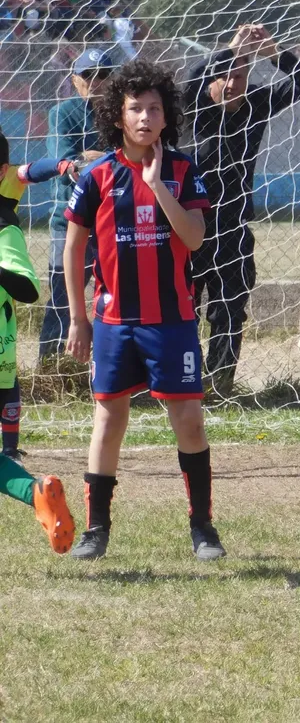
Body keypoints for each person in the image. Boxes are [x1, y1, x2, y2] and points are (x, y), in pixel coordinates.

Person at [63, 60, 225, 561]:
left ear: (165, 115)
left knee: (190, 420)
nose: (145, 117)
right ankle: (96, 528)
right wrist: (79, 317)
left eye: (154, 108)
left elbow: (195, 238)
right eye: (135, 108)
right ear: (119, 116)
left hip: (172, 320)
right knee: (109, 420)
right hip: (114, 323)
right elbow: (74, 249)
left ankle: (203, 528)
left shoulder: (181, 170)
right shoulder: (97, 176)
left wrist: (157, 186)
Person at [184, 23, 300, 394]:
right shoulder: (192, 106)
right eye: (224, 75)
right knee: (183, 310)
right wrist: (230, 49)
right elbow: (192, 81)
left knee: (229, 309)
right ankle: (184, 381)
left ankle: (220, 383)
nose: (232, 83)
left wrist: (273, 53)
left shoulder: (256, 104)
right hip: (188, 227)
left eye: (240, 75)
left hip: (233, 227)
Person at [0, 132, 76, 554]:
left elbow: (28, 290)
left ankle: (34, 492)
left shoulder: (4, 225)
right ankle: (36, 495)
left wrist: (64, 167)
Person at [39, 48, 110, 360]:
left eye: (104, 74)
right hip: (70, 221)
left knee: (116, 297)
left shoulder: (123, 111)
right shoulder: (63, 113)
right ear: (75, 80)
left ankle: (113, 366)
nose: (96, 81)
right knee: (61, 299)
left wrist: (95, 160)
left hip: (113, 220)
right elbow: (66, 165)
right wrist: (107, 162)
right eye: (88, 75)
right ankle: (50, 369)